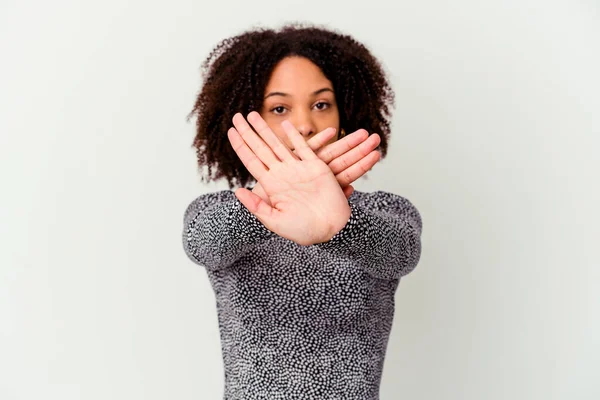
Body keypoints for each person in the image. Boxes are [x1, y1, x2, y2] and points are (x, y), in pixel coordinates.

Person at [182, 23, 423, 399]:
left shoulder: (385, 211)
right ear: (248, 120)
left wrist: (341, 226)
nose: (305, 125)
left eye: (321, 104)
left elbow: (401, 253)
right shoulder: (219, 210)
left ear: (346, 114)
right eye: (279, 108)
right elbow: (203, 243)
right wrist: (270, 196)